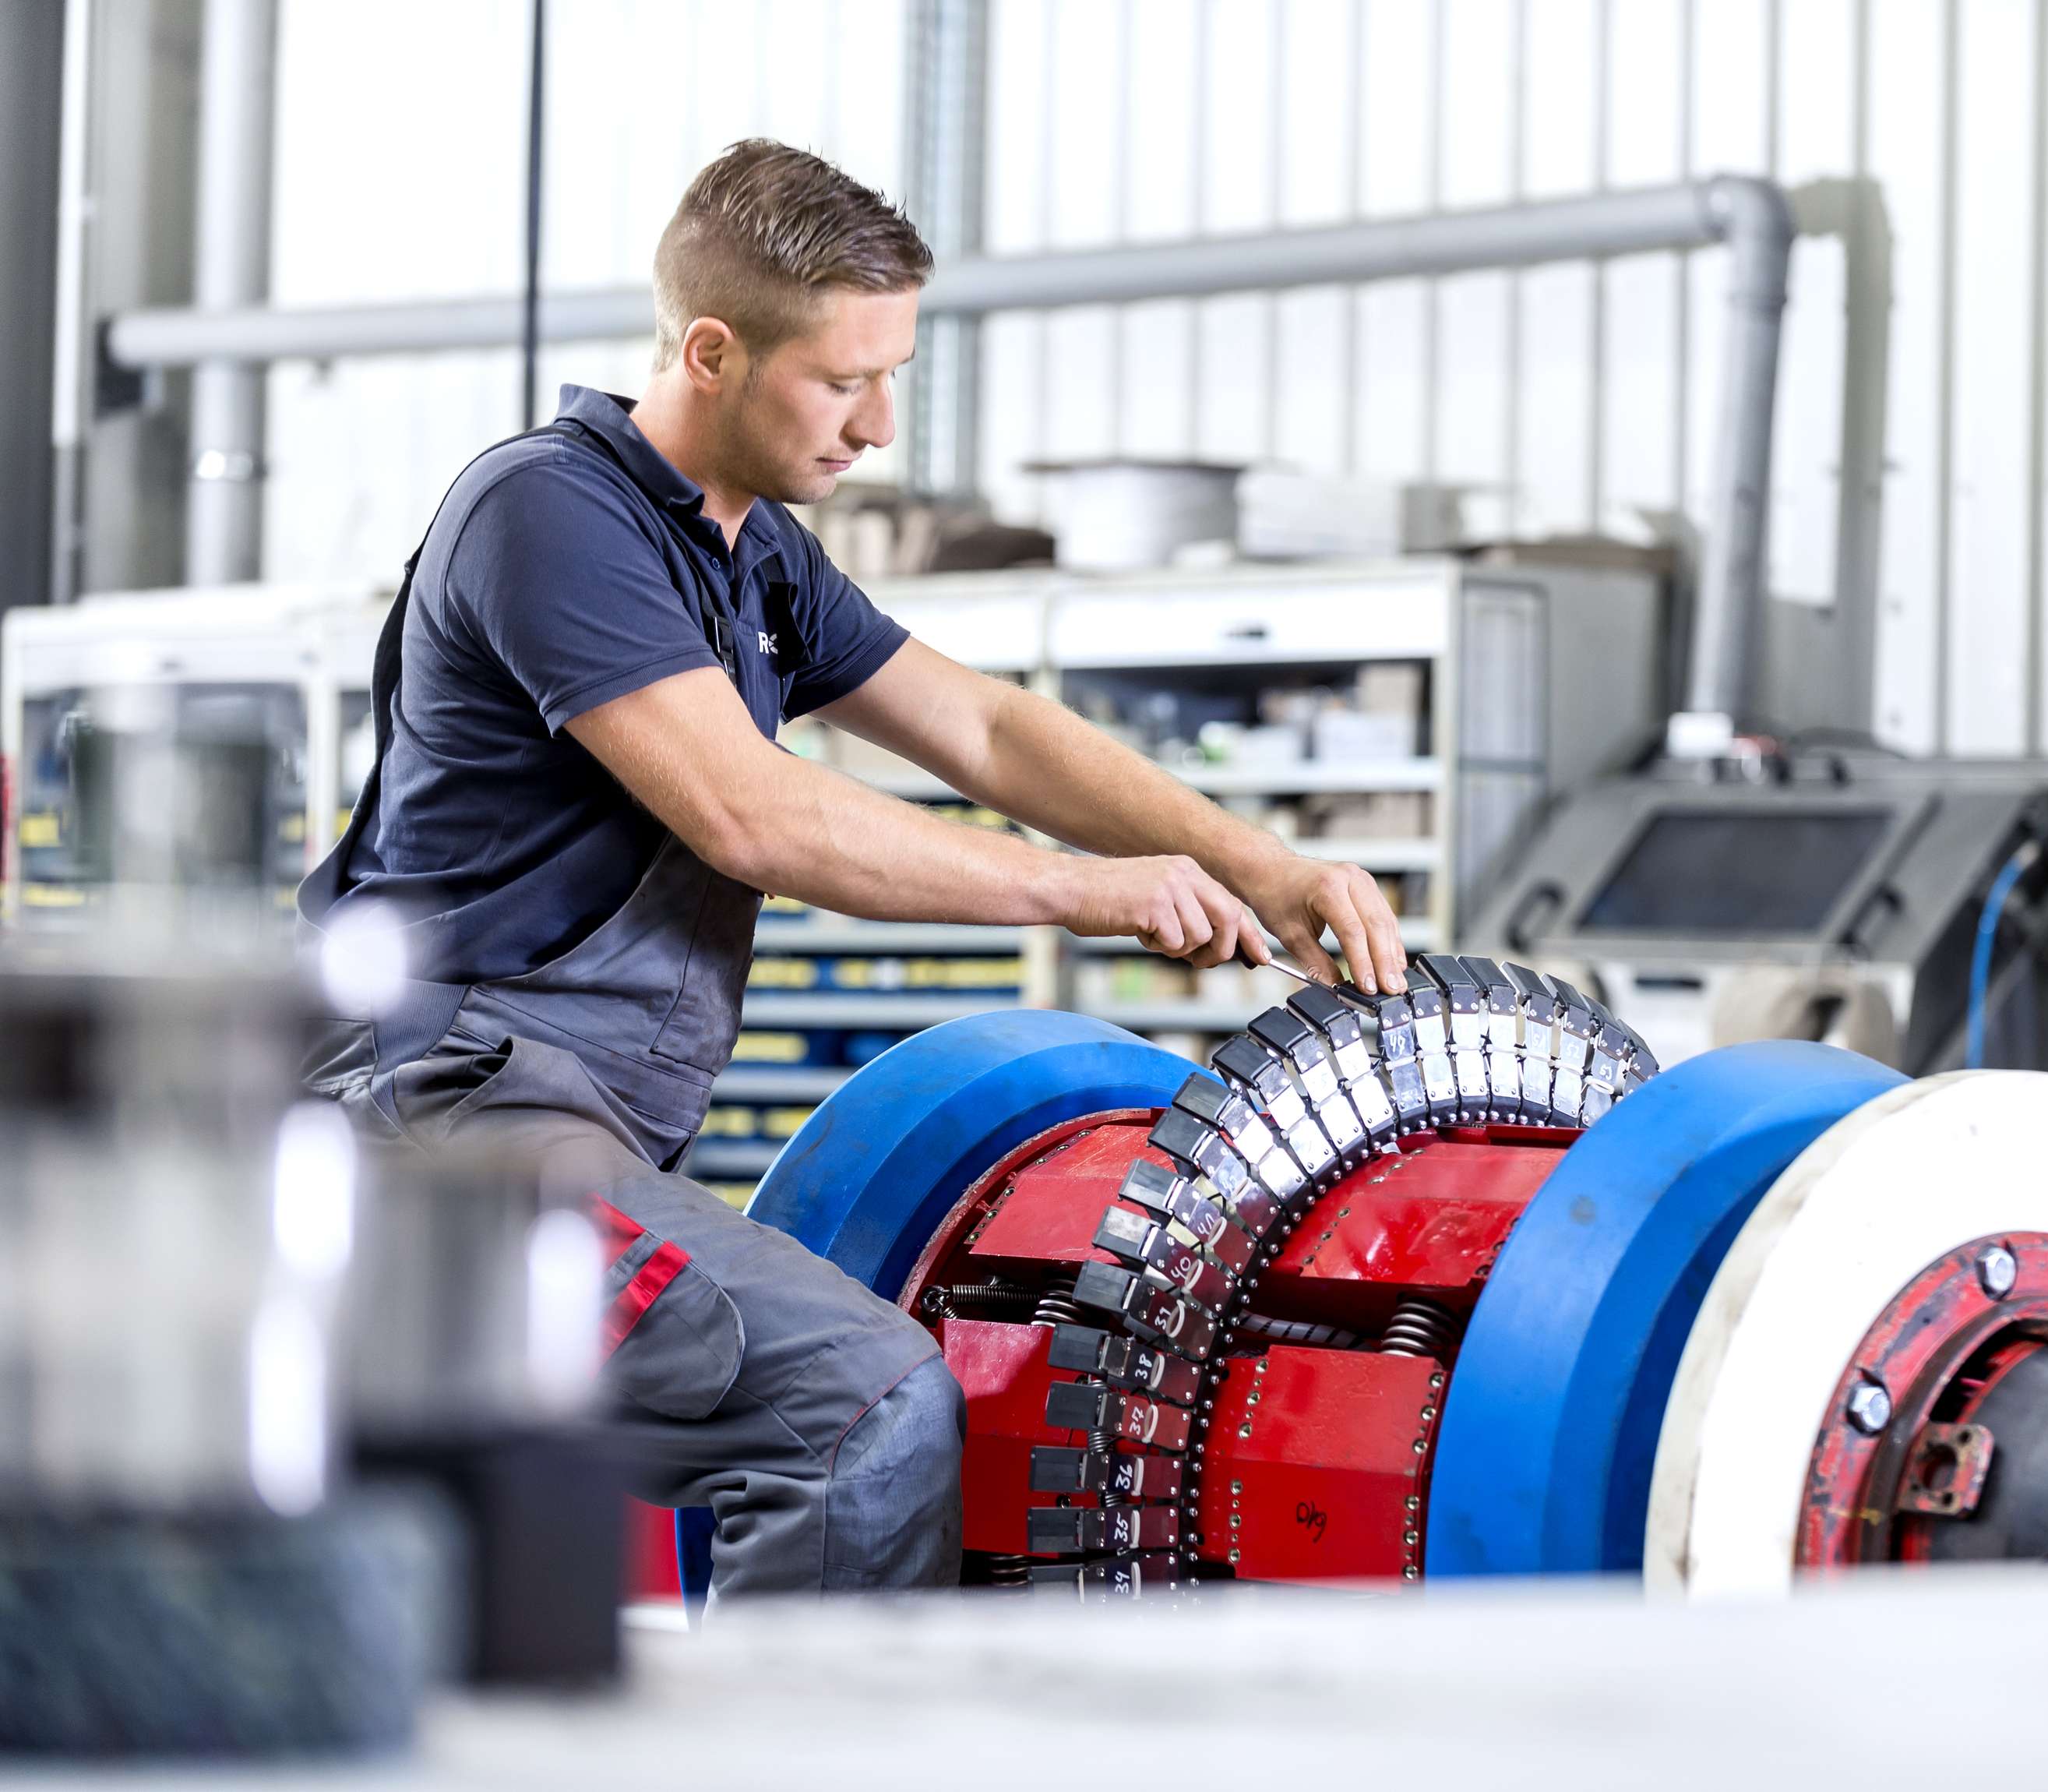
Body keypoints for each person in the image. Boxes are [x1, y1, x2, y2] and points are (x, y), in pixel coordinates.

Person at [299, 139, 1408, 1603]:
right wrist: (1092, 892)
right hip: (442, 1123)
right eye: (844, 381)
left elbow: (990, 728)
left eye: (894, 376)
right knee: (854, 1413)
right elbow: (755, 815)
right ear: (711, 349)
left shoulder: (752, 556)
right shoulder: (550, 515)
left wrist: (1254, 861)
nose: (880, 426)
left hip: (552, 1124)